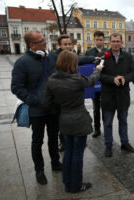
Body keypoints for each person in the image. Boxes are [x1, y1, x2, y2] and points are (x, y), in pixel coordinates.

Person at [44, 50, 103, 193]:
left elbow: (47, 103)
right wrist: (98, 69)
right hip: (79, 121)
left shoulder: (51, 79)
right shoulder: (77, 79)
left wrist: (60, 110)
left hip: (63, 120)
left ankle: (67, 183)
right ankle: (76, 185)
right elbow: (92, 80)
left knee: (68, 152)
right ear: (72, 63)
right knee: (77, 154)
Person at [11, 31, 61, 185]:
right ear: (32, 45)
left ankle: (55, 163)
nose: (45, 42)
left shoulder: (51, 57)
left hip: (53, 108)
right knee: (37, 141)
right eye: (41, 40)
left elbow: (73, 60)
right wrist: (34, 100)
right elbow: (16, 87)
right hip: (37, 110)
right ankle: (39, 170)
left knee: (53, 138)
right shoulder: (22, 62)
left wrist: (94, 59)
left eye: (44, 39)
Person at [50, 34, 100, 152]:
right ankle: (63, 142)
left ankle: (77, 142)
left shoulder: (72, 56)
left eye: (69, 44)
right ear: (59, 45)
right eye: (65, 44)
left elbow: (80, 59)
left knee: (75, 119)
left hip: (74, 95)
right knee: (62, 120)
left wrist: (93, 58)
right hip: (61, 95)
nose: (68, 46)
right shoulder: (55, 57)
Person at [100, 33, 134, 157]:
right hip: (108, 96)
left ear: (122, 42)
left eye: (118, 41)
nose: (116, 43)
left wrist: (125, 78)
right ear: (110, 42)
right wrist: (112, 79)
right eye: (113, 41)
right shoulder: (104, 56)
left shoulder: (127, 56)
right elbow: (99, 74)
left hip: (122, 95)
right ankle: (108, 146)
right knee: (108, 123)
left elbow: (133, 73)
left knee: (123, 121)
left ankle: (125, 143)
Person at [85, 31, 108, 138]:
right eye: (97, 39)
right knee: (96, 108)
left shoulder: (107, 51)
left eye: (101, 39)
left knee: (105, 107)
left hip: (104, 83)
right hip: (94, 83)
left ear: (104, 40)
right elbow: (86, 66)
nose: (99, 41)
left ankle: (106, 127)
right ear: (94, 40)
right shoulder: (89, 52)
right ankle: (97, 128)